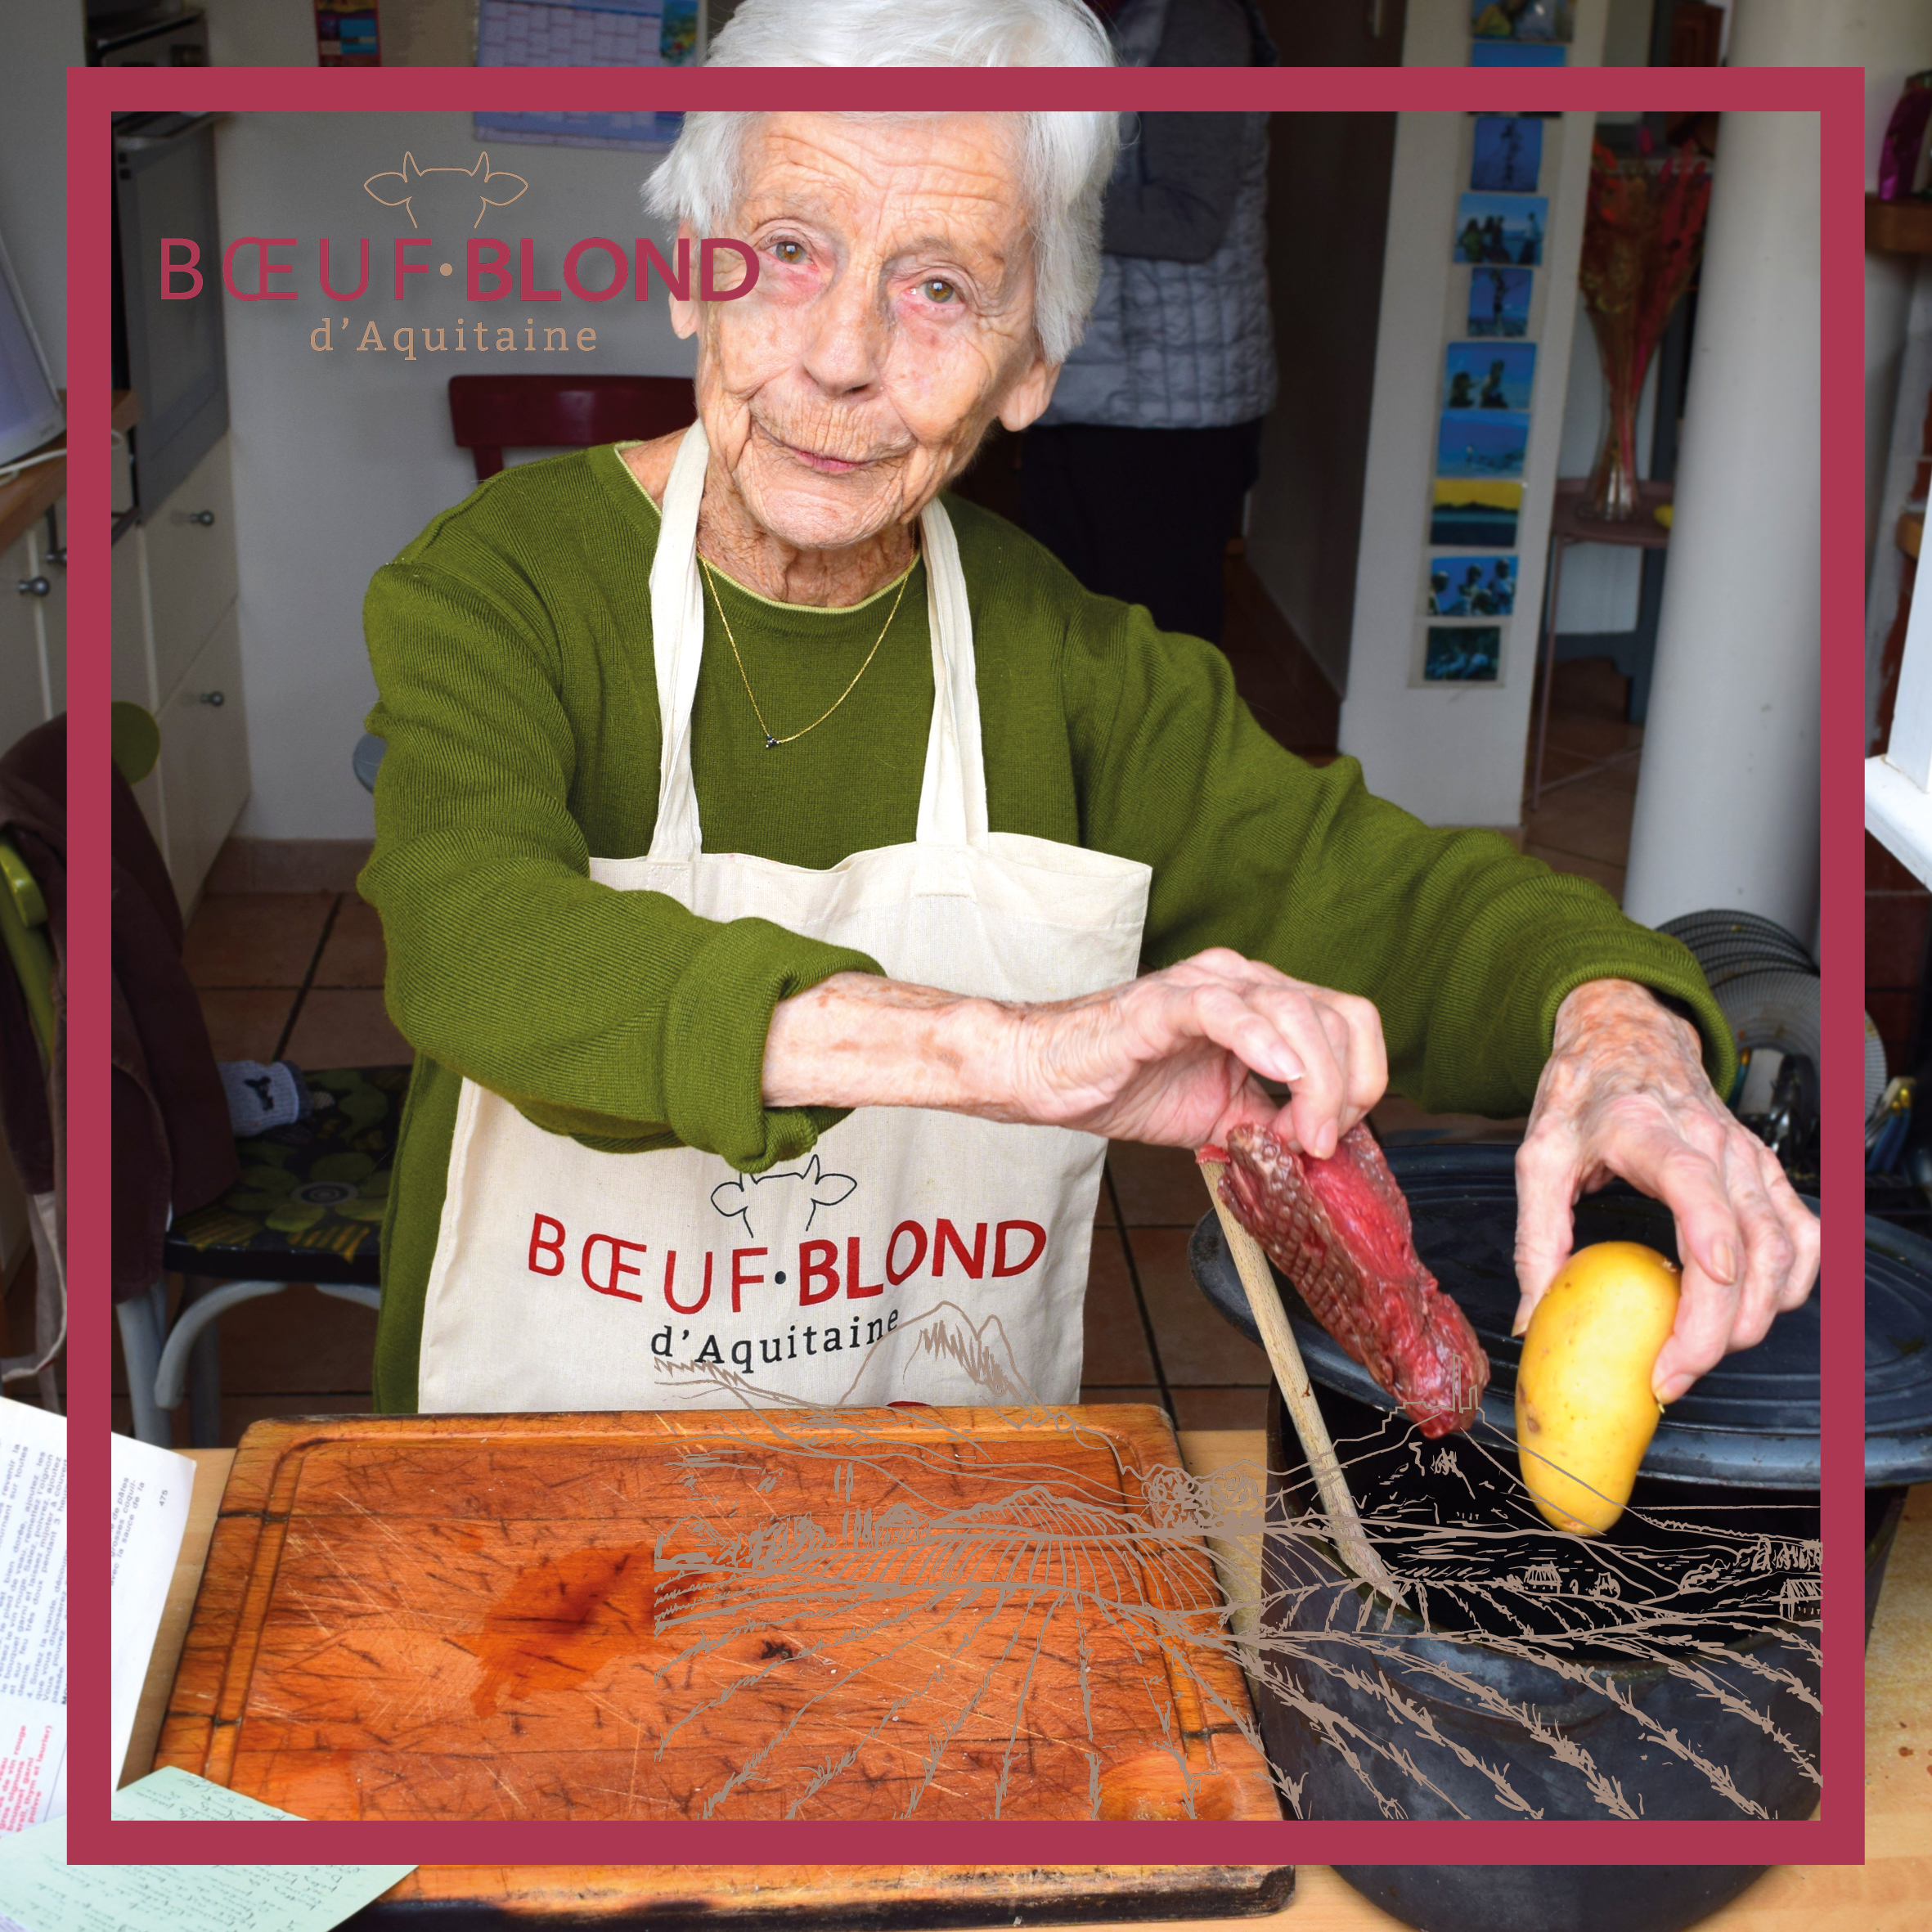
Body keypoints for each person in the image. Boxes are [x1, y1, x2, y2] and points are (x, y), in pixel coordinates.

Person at [358, 0, 1816, 1420]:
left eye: (941, 288)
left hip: (923, 1492)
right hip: (532, 1470)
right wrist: (1019, 1049)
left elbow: (1397, 901)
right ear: (690, 273)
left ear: (1032, 370)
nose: (844, 353)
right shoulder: (503, 582)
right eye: (788, 252)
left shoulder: (1068, 660)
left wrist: (1617, 1028)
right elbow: (474, 936)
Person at [1016, 0, 1276, 646]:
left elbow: (1191, 220)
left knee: (1160, 652)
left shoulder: (1200, 27)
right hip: (1077, 388)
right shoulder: (1084, 22)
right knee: (1061, 636)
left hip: (1171, 413)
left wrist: (1022, 203)